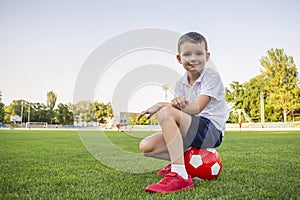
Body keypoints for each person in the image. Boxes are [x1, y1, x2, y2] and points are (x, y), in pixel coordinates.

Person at [137, 32, 228, 193]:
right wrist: (160, 104)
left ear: (207, 56)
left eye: (198, 53)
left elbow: (196, 108)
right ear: (179, 59)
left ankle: (180, 176)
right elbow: (178, 111)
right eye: (187, 54)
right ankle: (179, 163)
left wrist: (167, 107)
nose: (193, 58)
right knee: (146, 147)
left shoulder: (211, 77)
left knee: (166, 113)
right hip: (191, 129)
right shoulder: (180, 83)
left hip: (211, 131)